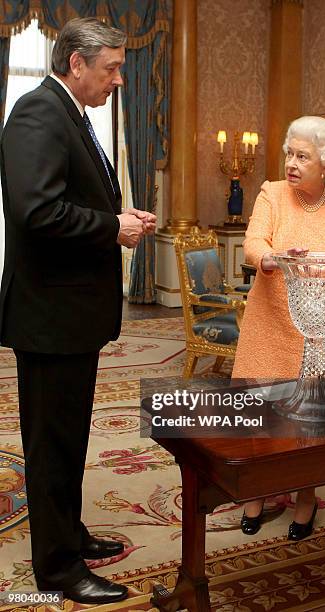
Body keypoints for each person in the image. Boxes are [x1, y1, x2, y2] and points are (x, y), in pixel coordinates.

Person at [0, 17, 156, 605]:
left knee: (68, 440)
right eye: (112, 68)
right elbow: (37, 212)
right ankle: (58, 568)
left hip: (70, 317)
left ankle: (70, 533)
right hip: (50, 318)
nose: (119, 79)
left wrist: (119, 220)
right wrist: (113, 227)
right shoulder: (39, 112)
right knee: (51, 446)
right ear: (76, 64)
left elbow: (75, 202)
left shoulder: (70, 114)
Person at [232, 116, 325, 540]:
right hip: (268, 322)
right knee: (261, 411)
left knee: (310, 419)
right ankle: (257, 491)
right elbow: (253, 243)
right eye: (289, 154)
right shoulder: (272, 194)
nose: (291, 163)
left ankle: (306, 496)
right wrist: (272, 258)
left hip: (318, 331)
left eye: (302, 156)